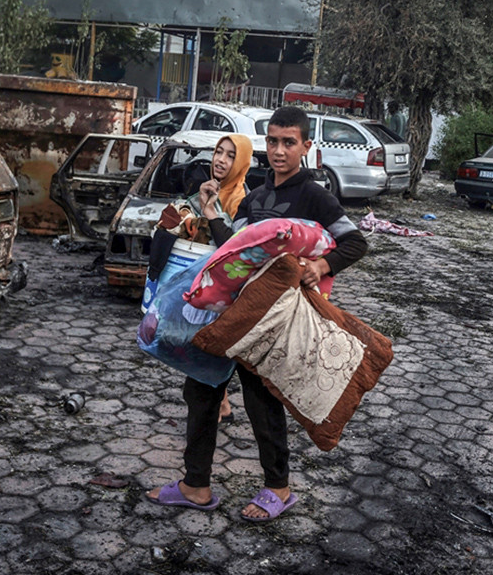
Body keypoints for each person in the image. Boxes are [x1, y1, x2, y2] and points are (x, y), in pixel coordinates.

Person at [146, 106, 368, 521]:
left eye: (289, 142)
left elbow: (355, 243)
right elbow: (234, 247)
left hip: (273, 321)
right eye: (273, 142)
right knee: (201, 390)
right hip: (233, 312)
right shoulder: (257, 196)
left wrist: (320, 267)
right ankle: (196, 485)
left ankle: (278, 489)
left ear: (306, 146)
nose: (279, 150)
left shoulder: (313, 195)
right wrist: (212, 215)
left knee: (261, 400)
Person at [195, 133, 253, 424]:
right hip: (207, 282)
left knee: (213, 347)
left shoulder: (242, 199)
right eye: (219, 152)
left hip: (226, 286)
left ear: (241, 162)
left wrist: (209, 210)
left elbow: (232, 246)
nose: (221, 159)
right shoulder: (211, 188)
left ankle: (215, 410)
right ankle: (223, 405)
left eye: (231, 155)